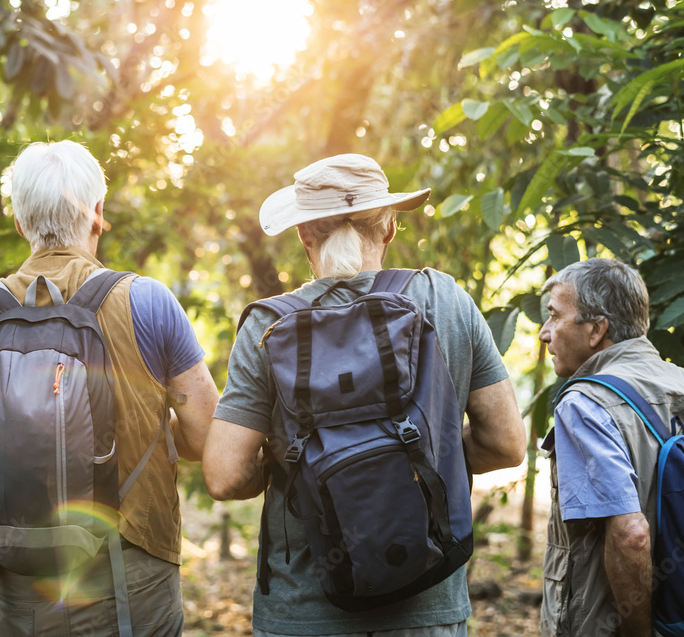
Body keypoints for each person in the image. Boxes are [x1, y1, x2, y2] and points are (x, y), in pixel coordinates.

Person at [203, 153, 526, 636]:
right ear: (390, 227)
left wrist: (300, 462)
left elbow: (225, 477)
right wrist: (421, 455)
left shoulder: (269, 327)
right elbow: (506, 444)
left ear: (303, 235)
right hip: (428, 603)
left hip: (306, 612)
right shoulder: (446, 301)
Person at [0, 139, 219, 635]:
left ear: (19, 222)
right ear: (98, 213)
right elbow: (204, 436)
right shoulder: (146, 301)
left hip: (14, 575)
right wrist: (145, 419)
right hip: (131, 578)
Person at [538, 258, 684, 637]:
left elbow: (631, 535)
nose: (544, 333)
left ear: (597, 329)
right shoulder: (679, 381)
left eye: (554, 316)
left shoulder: (585, 404)